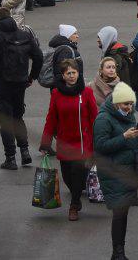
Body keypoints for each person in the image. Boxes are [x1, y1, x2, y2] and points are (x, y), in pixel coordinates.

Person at [0, 6, 42, 169]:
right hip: (20, 82)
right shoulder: (25, 35)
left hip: (1, 84)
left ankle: (10, 158)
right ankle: (25, 152)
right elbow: (38, 57)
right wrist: (31, 76)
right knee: (18, 116)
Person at [94, 82, 138, 260]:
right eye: (125, 104)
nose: (129, 108)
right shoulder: (103, 119)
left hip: (127, 170)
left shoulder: (127, 115)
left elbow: (131, 139)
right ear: (116, 103)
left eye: (131, 104)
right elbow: (100, 146)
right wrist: (123, 137)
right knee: (119, 212)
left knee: (123, 212)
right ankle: (118, 253)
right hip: (113, 172)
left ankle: (118, 252)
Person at [39, 57, 98, 219]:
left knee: (78, 173)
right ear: (63, 76)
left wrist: (98, 140)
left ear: (78, 74)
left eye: (74, 72)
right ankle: (76, 195)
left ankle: (74, 204)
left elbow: (95, 117)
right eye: (68, 73)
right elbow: (51, 119)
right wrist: (45, 142)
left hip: (83, 143)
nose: (72, 76)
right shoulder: (57, 94)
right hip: (64, 142)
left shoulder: (86, 92)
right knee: (67, 176)